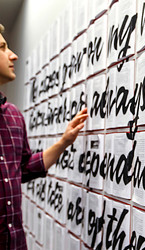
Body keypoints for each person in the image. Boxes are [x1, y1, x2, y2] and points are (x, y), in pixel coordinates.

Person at [0, 24, 88, 249]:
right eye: (2, 47)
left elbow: (24, 169)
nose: (14, 55)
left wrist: (64, 142)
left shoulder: (13, 116)